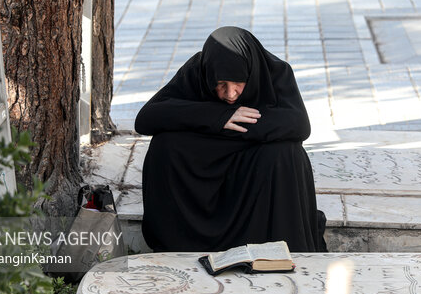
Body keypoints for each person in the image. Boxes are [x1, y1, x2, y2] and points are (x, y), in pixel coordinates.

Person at [135, 26, 327, 253]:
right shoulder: (198, 71)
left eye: (238, 83)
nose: (230, 94)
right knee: (165, 145)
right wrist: (217, 117)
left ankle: (276, 250)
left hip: (252, 168)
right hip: (208, 167)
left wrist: (230, 129)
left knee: (286, 153)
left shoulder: (275, 72)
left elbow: (299, 125)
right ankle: (181, 244)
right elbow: (146, 119)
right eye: (220, 84)